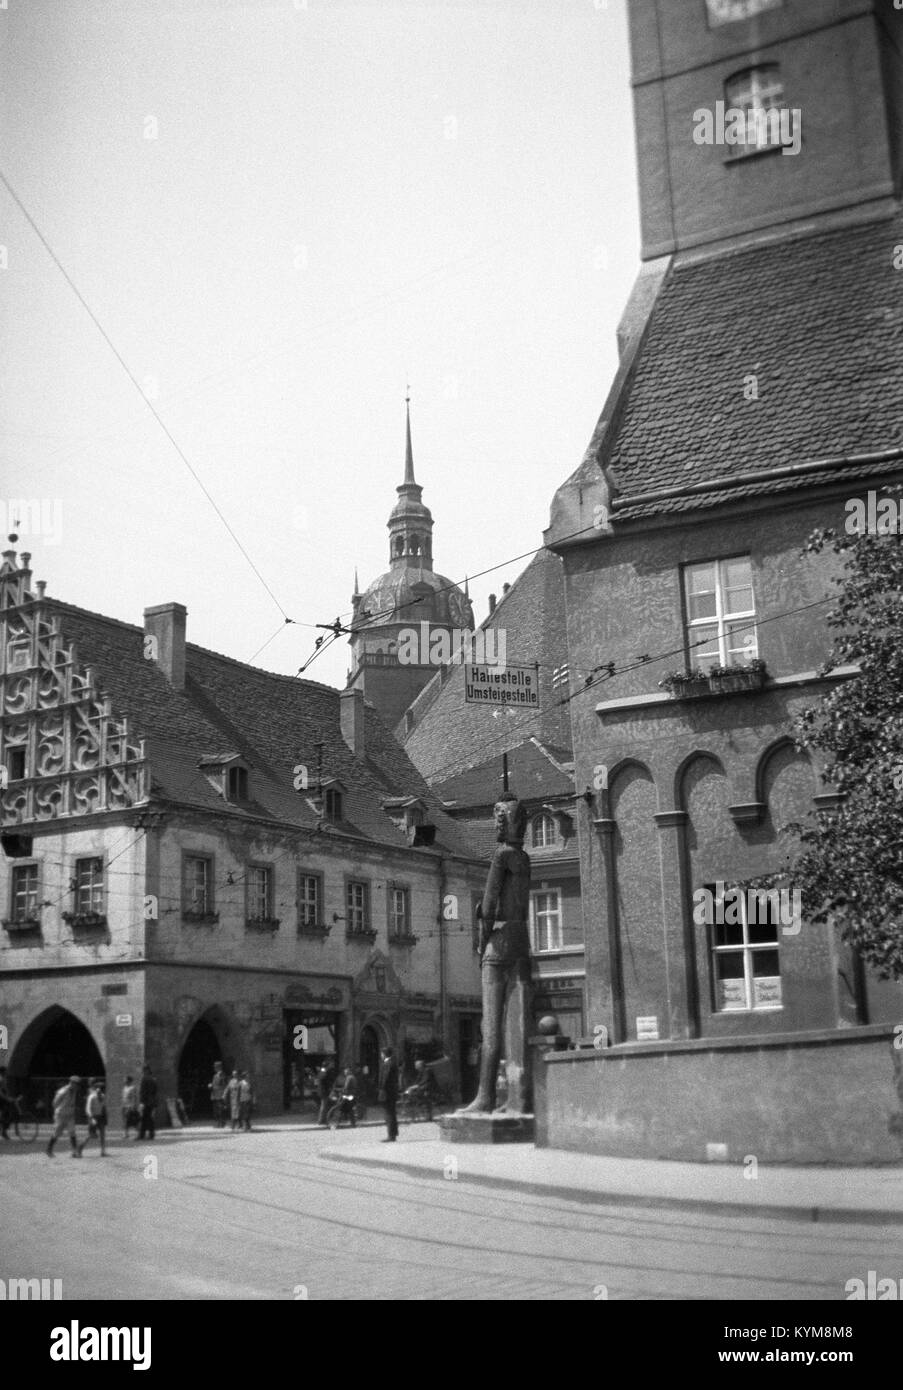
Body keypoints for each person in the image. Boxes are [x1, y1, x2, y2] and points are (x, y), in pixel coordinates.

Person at [463, 792, 533, 1115]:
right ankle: (519, 1099)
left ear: (503, 822)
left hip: (499, 940)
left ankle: (485, 1096)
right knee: (518, 1023)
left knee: (490, 1027)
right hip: (522, 939)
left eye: (497, 819)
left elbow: (489, 905)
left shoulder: (501, 856)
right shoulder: (525, 858)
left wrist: (481, 942)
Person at [46, 1076, 81, 1158]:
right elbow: (54, 1103)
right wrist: (59, 1110)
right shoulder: (63, 1091)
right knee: (57, 1133)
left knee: (72, 1132)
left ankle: (74, 1152)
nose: (77, 1086)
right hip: (61, 1115)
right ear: (72, 1083)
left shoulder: (74, 1090)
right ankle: (49, 1149)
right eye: (76, 1084)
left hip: (70, 1115)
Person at [80, 1079, 108, 1156]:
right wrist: (92, 1118)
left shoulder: (103, 1096)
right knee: (91, 1135)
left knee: (102, 1134)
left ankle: (103, 1151)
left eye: (102, 1089)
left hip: (100, 1117)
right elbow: (88, 1109)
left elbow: (103, 1107)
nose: (101, 1091)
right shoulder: (91, 1097)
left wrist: (104, 1117)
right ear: (96, 1089)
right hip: (93, 1117)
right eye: (99, 1088)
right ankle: (80, 1147)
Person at [378, 1047, 399, 1143]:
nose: (381, 1055)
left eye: (382, 1053)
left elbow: (385, 1079)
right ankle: (393, 1134)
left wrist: (381, 1089)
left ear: (384, 1054)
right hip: (392, 1092)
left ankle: (391, 1135)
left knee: (389, 1113)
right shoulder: (392, 1063)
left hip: (387, 1093)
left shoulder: (387, 1064)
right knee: (391, 1113)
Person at [137, 1065, 158, 1141]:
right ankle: (151, 1134)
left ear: (146, 1070)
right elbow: (155, 1091)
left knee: (143, 1118)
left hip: (146, 1102)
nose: (142, 1072)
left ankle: (141, 1135)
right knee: (149, 1118)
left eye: (143, 1071)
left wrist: (141, 1102)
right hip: (152, 1102)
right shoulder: (153, 1079)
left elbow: (143, 1092)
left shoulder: (144, 1079)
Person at [209, 1062, 227, 1128]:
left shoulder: (222, 1075)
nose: (214, 1068)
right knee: (217, 1110)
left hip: (220, 1095)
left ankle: (222, 1123)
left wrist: (213, 1086)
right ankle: (219, 1123)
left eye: (215, 1067)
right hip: (215, 1095)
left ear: (219, 1067)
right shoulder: (215, 1075)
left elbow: (224, 1085)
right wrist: (211, 1086)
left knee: (221, 1110)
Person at [316, 1061, 334, 1127]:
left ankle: (323, 1120)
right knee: (324, 1106)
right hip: (324, 1092)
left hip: (323, 1091)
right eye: (330, 1065)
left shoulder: (322, 1071)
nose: (331, 1066)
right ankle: (321, 1120)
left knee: (324, 1106)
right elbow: (324, 1081)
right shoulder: (324, 1072)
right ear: (327, 1065)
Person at [0, 1067, 13, 1140]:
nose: (7, 1073)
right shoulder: (1, 1079)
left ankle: (3, 1131)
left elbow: (5, 1090)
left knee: (7, 1114)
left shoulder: (4, 1079)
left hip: (3, 1098)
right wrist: (7, 1098)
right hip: (1, 1099)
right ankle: (3, 1131)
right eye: (5, 1072)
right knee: (6, 1114)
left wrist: (9, 1097)